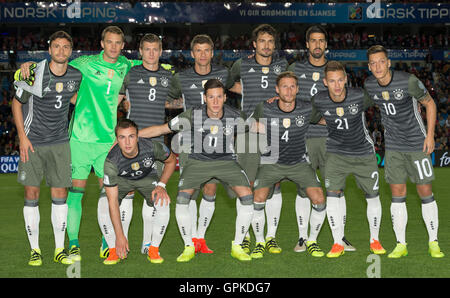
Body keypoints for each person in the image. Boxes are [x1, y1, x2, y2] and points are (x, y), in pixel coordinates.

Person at [140, 79, 254, 262]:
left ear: (225, 97)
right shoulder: (193, 114)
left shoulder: (236, 116)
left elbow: (255, 127)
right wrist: (133, 135)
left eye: (219, 97)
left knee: (248, 197)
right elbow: (163, 129)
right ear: (204, 98)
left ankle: (238, 245)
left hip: (226, 162)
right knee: (182, 199)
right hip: (198, 161)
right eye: (211, 97)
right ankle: (188, 246)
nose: (215, 102)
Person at [364, 45, 444, 258]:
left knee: (425, 192)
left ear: (388, 62)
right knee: (397, 195)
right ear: (369, 66)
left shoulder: (407, 80)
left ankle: (433, 242)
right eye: (373, 63)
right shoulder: (370, 85)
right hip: (393, 148)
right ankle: (401, 244)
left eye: (381, 61)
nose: (378, 66)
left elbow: (430, 103)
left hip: (417, 144)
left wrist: (430, 135)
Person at [12, 31, 81, 266]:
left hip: (60, 143)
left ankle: (59, 249)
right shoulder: (33, 72)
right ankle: (35, 250)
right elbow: (16, 103)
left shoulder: (76, 75)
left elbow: (74, 99)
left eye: (65, 47)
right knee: (32, 194)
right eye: (57, 47)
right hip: (33, 142)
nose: (61, 51)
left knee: (60, 196)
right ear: (49, 49)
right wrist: (22, 137)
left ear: (70, 51)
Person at [287, 25, 355, 253]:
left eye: (321, 41)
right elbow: (287, 97)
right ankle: (302, 238)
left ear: (326, 45)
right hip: (303, 139)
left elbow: (347, 103)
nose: (317, 45)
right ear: (307, 44)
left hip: (333, 141)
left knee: (337, 189)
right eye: (313, 41)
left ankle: (340, 237)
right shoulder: (295, 68)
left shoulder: (336, 70)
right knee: (303, 189)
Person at [167, 34, 235, 254]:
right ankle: (191, 240)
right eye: (199, 50)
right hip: (189, 140)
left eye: (207, 50)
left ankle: (200, 238)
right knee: (190, 189)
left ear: (212, 53)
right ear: (192, 53)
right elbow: (168, 98)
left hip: (217, 140)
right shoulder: (181, 78)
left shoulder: (223, 74)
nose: (203, 55)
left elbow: (236, 90)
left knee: (210, 187)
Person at [310, 61, 385, 258]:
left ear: (346, 80)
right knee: (333, 195)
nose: (336, 85)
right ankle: (337, 243)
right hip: (335, 153)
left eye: (340, 80)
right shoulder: (319, 99)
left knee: (373, 196)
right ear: (325, 82)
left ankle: (375, 240)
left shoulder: (360, 96)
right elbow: (309, 116)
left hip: (363, 153)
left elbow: (383, 99)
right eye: (332, 81)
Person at [249, 71, 327, 259]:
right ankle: (260, 241)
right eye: (284, 86)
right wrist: (260, 128)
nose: (289, 90)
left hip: (299, 162)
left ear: (298, 89)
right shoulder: (265, 107)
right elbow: (250, 121)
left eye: (292, 86)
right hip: (271, 162)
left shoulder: (307, 108)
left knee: (319, 200)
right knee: (258, 199)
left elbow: (323, 120)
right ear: (277, 89)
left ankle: (312, 241)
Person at [230, 24, 288, 254]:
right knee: (246, 185)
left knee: (274, 184)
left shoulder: (282, 65)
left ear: (274, 45)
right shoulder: (241, 65)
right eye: (262, 41)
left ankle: (270, 237)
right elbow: (225, 84)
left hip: (275, 131)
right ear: (254, 44)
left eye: (270, 41)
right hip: (248, 132)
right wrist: (244, 89)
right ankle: (244, 236)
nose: (266, 45)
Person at [118, 33, 174, 255]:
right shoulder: (130, 73)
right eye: (147, 49)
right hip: (131, 143)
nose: (151, 53)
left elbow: (176, 100)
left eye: (155, 49)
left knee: (153, 195)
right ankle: (120, 241)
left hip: (157, 143)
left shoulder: (169, 77)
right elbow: (117, 103)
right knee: (129, 192)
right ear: (140, 52)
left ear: (160, 52)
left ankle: (147, 242)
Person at [102, 119, 176, 265]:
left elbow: (171, 161)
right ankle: (113, 251)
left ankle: (153, 249)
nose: (127, 142)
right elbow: (112, 202)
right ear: (117, 140)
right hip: (122, 180)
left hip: (147, 177)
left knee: (163, 202)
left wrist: (161, 185)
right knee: (103, 205)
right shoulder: (111, 161)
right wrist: (120, 235)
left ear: (138, 137)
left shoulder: (152, 147)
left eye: (131, 136)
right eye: (122, 138)